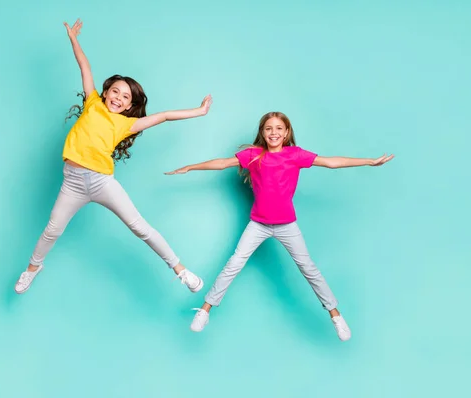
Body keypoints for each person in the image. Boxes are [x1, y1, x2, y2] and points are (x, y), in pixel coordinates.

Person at [14, 19, 212, 295]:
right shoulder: (92, 104)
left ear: (131, 105)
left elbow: (164, 116)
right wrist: (73, 39)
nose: (118, 97)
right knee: (52, 230)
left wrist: (198, 112)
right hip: (72, 183)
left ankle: (181, 271)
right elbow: (85, 67)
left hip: (101, 182)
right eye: (115, 91)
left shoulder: (126, 124)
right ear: (105, 93)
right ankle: (32, 269)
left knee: (140, 228)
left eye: (125, 97)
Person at [165, 111, 394, 341]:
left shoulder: (295, 155)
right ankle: (205, 311)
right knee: (234, 263)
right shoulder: (254, 155)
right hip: (258, 224)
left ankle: (335, 315)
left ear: (286, 133)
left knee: (309, 269)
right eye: (268, 128)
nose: (273, 132)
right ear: (263, 133)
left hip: (287, 226)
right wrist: (191, 167)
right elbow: (223, 163)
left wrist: (369, 161)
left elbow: (331, 162)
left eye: (278, 128)